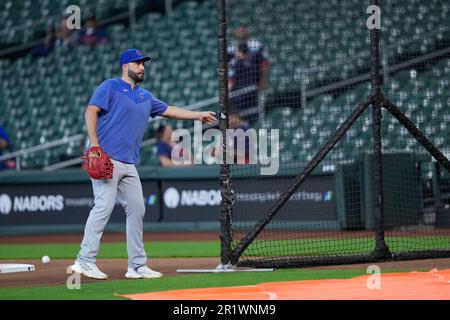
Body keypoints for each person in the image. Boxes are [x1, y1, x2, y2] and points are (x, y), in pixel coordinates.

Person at [70, 48, 216, 280]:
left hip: (129, 163)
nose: (142, 67)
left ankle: (136, 266)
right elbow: (90, 111)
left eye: (143, 63)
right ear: (124, 66)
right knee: (103, 206)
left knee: (137, 209)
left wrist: (197, 115)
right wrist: (94, 145)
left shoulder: (145, 96)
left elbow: (169, 111)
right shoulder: (109, 86)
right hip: (106, 158)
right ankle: (84, 260)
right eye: (137, 63)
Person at [228, 42, 269, 119]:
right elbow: (231, 81)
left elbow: (265, 64)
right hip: (243, 93)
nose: (236, 54)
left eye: (237, 52)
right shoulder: (236, 63)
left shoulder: (255, 55)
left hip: (252, 91)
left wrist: (263, 81)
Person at [227, 25, 269, 91]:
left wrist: (263, 80)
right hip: (237, 82)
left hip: (254, 81)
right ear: (235, 32)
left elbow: (265, 63)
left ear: (247, 31)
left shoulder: (256, 44)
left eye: (242, 30)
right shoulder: (231, 47)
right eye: (238, 31)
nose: (241, 33)